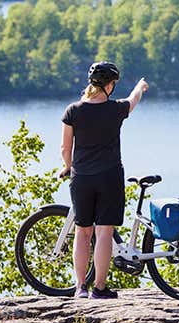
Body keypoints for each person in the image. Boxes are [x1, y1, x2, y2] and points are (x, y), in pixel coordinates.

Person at [60, 60, 148, 299]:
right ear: (109, 86)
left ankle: (80, 288)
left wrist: (68, 167)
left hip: (81, 179)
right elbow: (133, 101)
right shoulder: (115, 109)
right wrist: (140, 86)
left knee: (82, 233)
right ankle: (99, 288)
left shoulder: (73, 111)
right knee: (104, 232)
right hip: (109, 176)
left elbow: (65, 148)